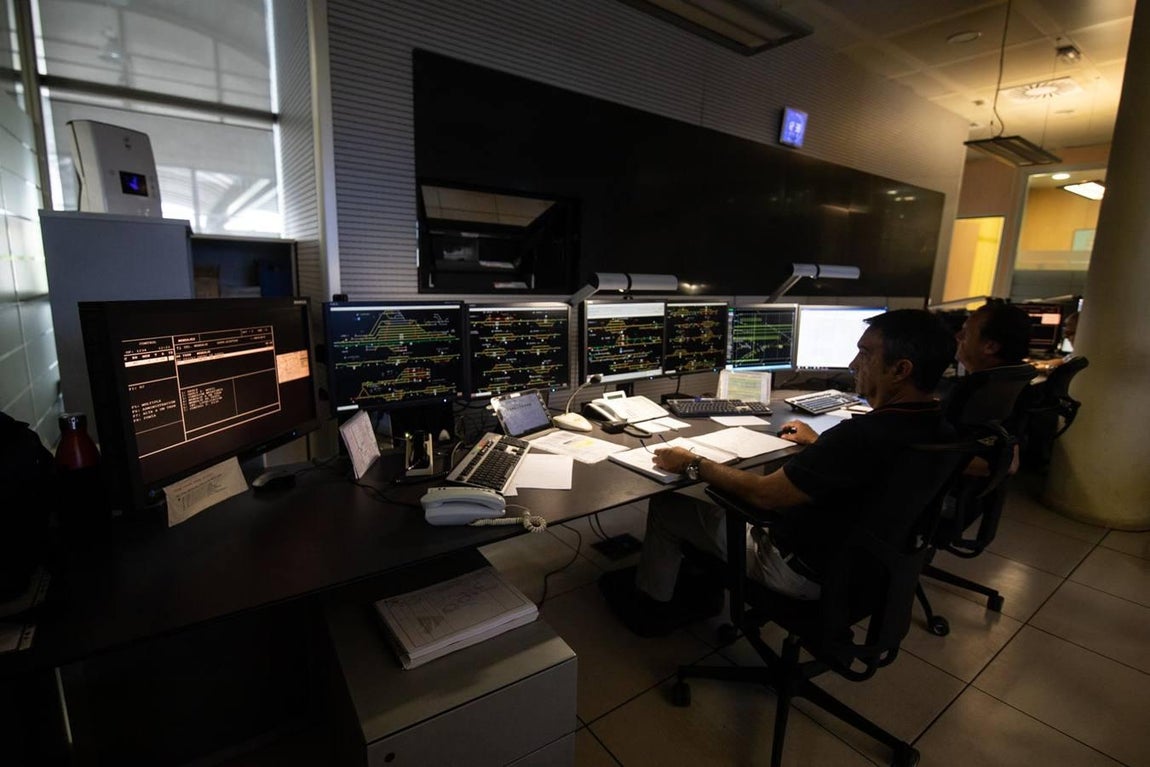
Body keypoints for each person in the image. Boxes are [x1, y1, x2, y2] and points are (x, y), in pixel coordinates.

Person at [600, 310, 957, 637]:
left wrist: (692, 463)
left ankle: (650, 609)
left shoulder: (860, 436)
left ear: (900, 370)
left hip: (801, 570)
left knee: (669, 506)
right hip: (870, 570)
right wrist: (818, 443)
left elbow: (764, 495)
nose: (853, 364)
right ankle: (693, 586)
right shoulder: (937, 427)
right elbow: (868, 471)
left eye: (865, 353)